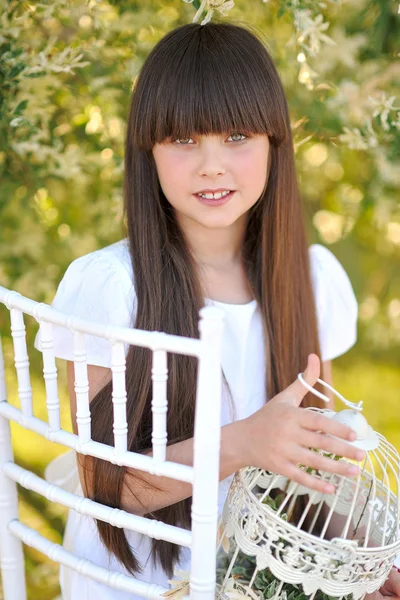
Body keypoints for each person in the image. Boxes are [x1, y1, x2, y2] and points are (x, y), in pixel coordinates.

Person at [34, 21, 400, 600]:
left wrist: (358, 561)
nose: (211, 165)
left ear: (275, 144)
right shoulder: (110, 285)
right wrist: (245, 442)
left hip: (253, 575)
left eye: (237, 136)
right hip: (137, 582)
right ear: (148, 150)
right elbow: (106, 485)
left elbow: (313, 464)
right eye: (183, 139)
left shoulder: (310, 278)